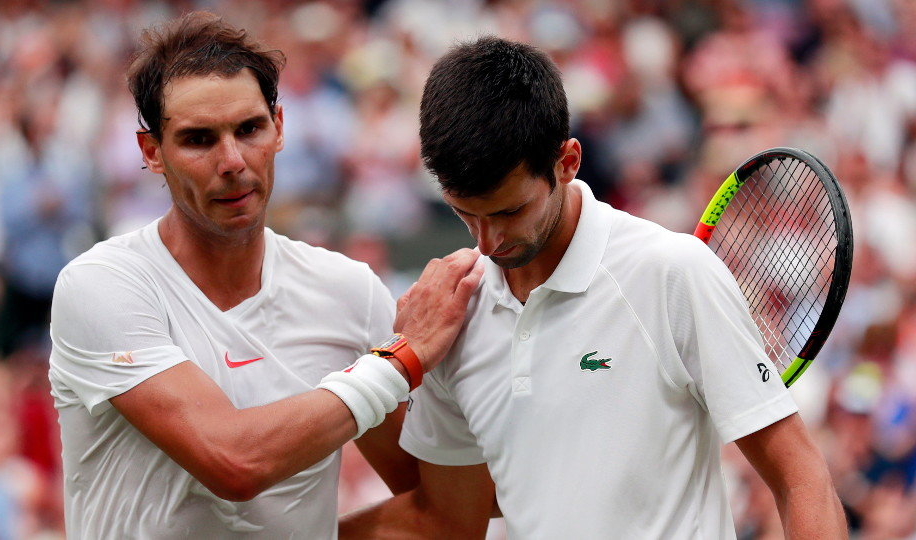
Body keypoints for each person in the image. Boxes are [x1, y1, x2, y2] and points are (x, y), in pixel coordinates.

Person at [340, 37, 847, 538]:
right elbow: (449, 519)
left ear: (567, 161)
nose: (488, 241)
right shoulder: (452, 315)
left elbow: (802, 481)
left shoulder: (671, 271)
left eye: (510, 211)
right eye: (464, 213)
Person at [47, 12, 481, 539]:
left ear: (279, 127)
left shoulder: (346, 291)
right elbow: (234, 462)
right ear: (151, 153)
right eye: (199, 139)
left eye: (250, 129)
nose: (232, 160)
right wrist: (403, 359)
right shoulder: (100, 285)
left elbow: (439, 513)